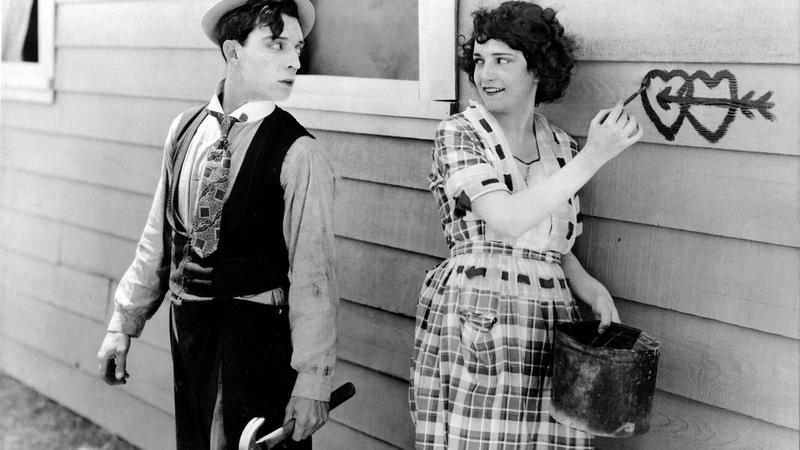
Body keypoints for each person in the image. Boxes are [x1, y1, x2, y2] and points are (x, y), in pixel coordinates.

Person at [95, 1, 338, 448]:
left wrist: (313, 383)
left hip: (256, 345)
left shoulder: (300, 153)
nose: (294, 61)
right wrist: (122, 324)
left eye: (298, 48)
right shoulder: (184, 130)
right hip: (190, 336)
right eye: (277, 45)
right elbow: (159, 240)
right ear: (233, 51)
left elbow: (314, 278)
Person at [409, 2, 643, 448]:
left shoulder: (562, 146)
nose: (485, 74)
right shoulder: (459, 134)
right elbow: (508, 218)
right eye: (480, 60)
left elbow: (549, 242)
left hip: (548, 321)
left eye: (502, 60)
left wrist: (591, 288)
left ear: (537, 68)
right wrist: (595, 156)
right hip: (479, 316)